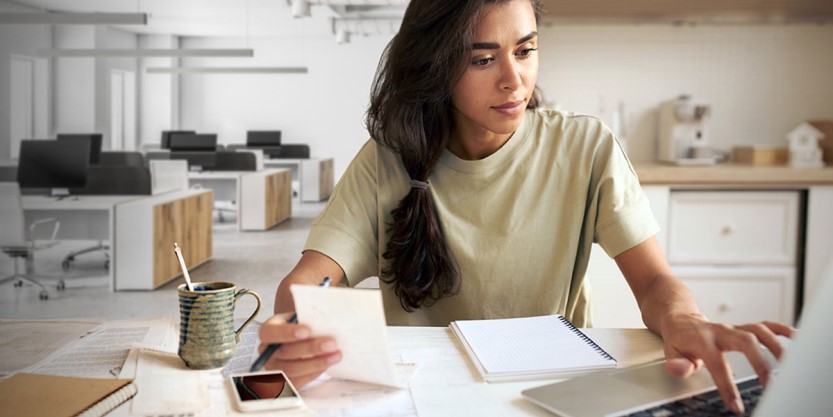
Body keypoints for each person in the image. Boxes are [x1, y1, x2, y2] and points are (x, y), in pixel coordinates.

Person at [258, 0, 793, 413]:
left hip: (552, 398)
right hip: (422, 400)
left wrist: (683, 318)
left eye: (526, 50)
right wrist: (298, 321)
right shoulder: (387, 160)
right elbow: (312, 279)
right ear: (436, 66)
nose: (514, 79)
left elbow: (654, 282)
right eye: (484, 59)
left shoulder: (587, 148)